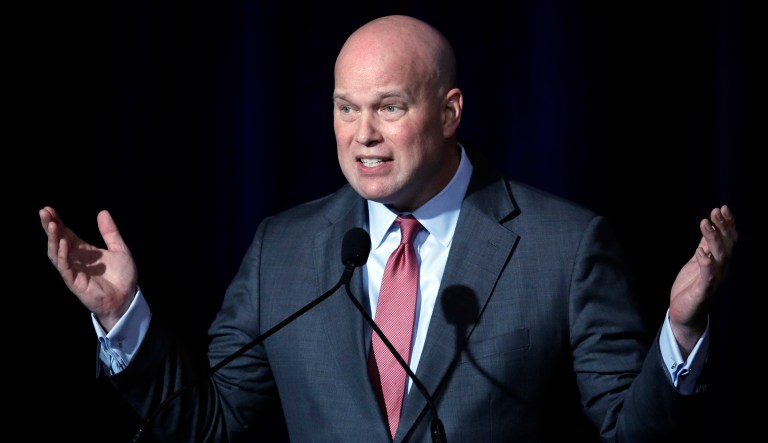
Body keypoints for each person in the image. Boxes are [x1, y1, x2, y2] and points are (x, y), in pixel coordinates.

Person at [40, 14, 738, 443]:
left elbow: (629, 427)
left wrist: (677, 334)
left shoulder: (565, 246)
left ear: (449, 111)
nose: (362, 135)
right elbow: (210, 420)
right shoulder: (281, 251)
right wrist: (123, 317)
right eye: (346, 109)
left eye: (389, 107)